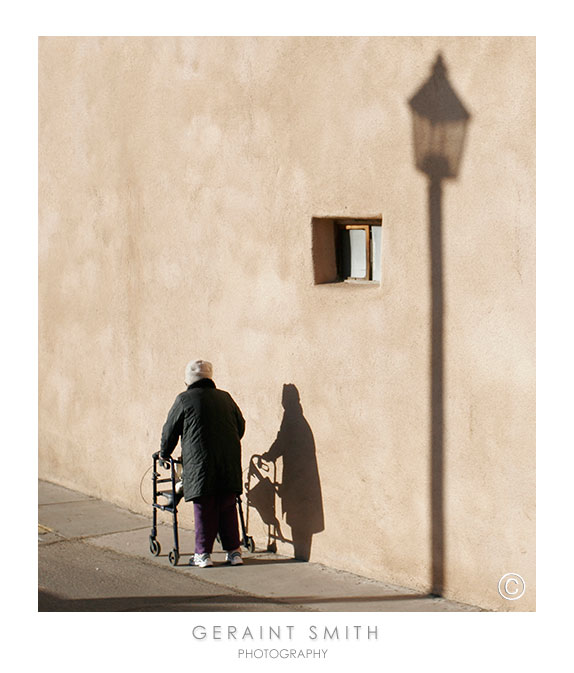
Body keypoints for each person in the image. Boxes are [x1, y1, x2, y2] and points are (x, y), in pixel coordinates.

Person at [156, 359, 246, 567]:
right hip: (228, 462)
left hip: (199, 463)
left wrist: (164, 453)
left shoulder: (184, 399)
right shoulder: (225, 398)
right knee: (227, 505)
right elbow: (240, 426)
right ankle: (234, 552)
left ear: (188, 380)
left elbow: (170, 430)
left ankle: (203, 554)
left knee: (204, 507)